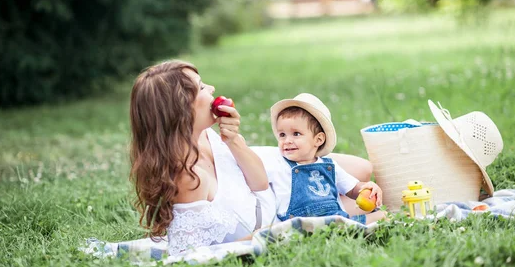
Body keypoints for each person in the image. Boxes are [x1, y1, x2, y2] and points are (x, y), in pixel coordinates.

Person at [129, 60, 380, 255]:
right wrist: (270, 234)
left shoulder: (206, 135)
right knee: (374, 207)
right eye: (202, 87)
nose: (212, 88)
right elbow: (188, 254)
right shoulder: (188, 178)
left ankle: (331, 196)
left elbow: (258, 182)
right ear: (183, 108)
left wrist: (234, 140)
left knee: (363, 168)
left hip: (265, 178)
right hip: (275, 210)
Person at [253, 93, 386, 225]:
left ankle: (351, 227)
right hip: (299, 224)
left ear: (318, 139)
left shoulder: (329, 166)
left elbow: (352, 189)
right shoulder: (279, 163)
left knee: (384, 216)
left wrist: (366, 188)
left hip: (336, 219)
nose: (287, 141)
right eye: (282, 134)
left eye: (296, 134)